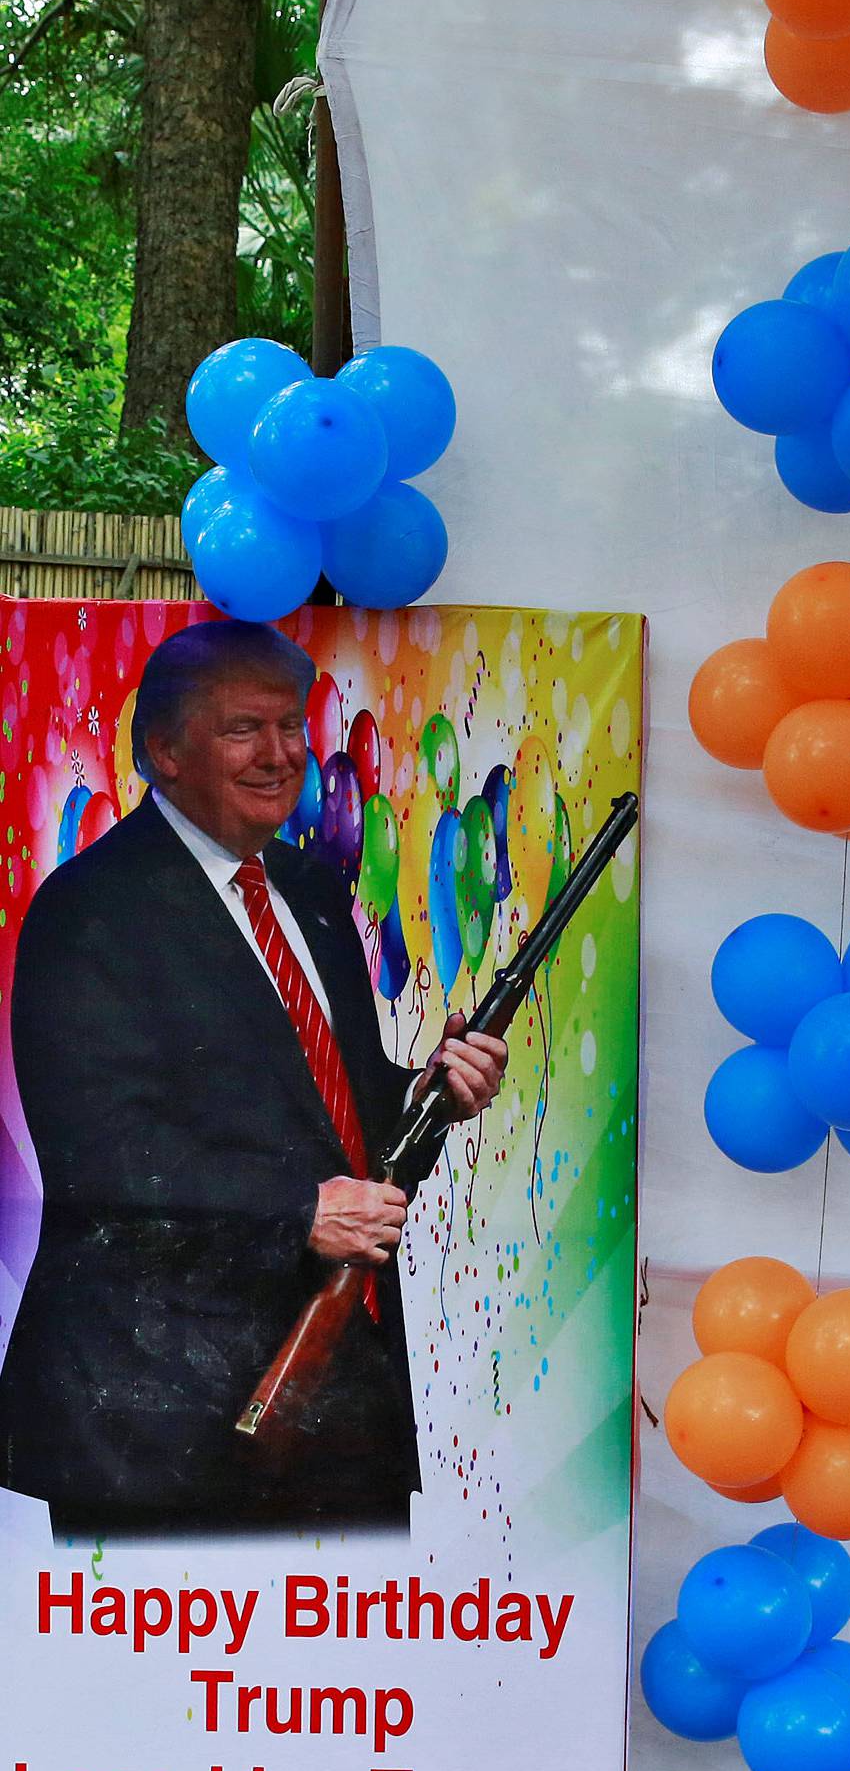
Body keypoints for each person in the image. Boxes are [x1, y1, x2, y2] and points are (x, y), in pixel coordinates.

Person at [0, 622, 507, 1538]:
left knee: (353, 1674)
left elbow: (330, 1108)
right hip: (155, 1423)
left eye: (291, 727)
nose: (281, 756)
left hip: (338, 1406)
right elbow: (99, 1154)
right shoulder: (86, 912)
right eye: (245, 729)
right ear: (163, 751)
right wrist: (300, 1210)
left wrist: (435, 1087)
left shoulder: (312, 893)